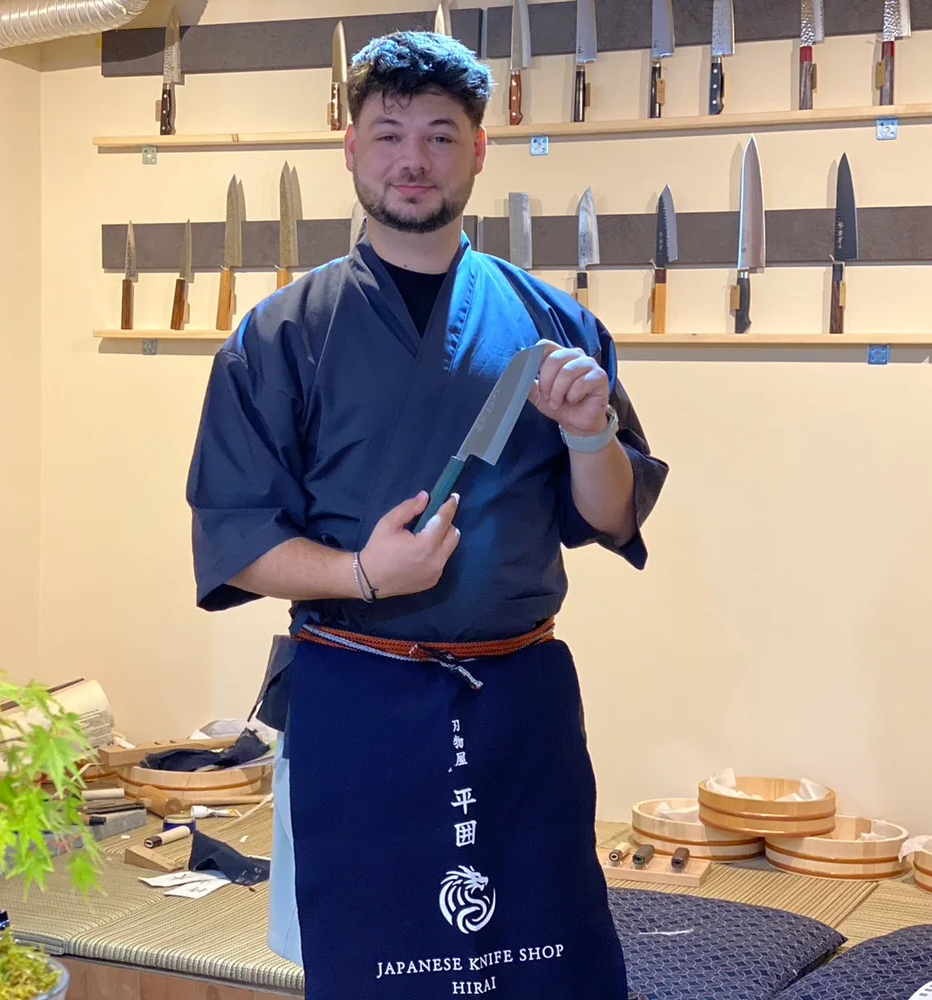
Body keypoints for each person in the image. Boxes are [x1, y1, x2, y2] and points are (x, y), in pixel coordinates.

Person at [186, 29, 668, 1000]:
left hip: (517, 703)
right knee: (379, 971)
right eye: (390, 132)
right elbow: (236, 538)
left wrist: (587, 437)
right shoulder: (278, 336)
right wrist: (361, 575)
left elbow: (611, 516)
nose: (415, 159)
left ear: (480, 150)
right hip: (356, 701)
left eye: (442, 135)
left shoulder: (553, 327)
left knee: (548, 967)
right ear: (352, 148)